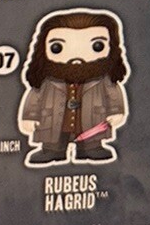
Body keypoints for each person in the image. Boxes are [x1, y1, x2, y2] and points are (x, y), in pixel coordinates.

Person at [18, 9, 129, 166]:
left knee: (91, 138)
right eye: (57, 47)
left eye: (97, 46)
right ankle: (52, 150)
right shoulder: (46, 80)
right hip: (53, 120)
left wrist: (116, 111)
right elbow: (35, 96)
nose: (77, 56)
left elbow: (113, 94)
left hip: (92, 120)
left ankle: (91, 149)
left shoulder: (103, 79)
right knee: (53, 138)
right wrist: (30, 116)